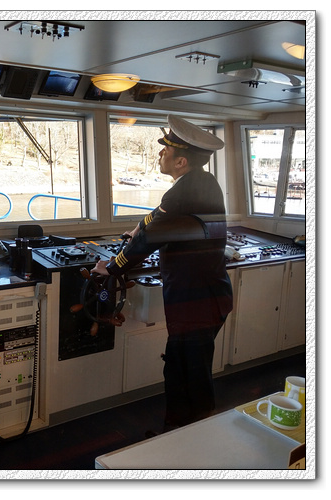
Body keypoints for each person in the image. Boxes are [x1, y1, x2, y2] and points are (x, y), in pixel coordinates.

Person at [92, 115, 233, 432]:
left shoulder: (185, 191)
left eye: (165, 151)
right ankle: (183, 434)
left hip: (197, 302)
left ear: (181, 161)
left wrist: (111, 268)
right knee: (184, 368)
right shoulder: (200, 182)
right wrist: (137, 229)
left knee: (187, 373)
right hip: (205, 297)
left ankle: (190, 437)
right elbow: (157, 218)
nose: (160, 154)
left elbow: (148, 240)